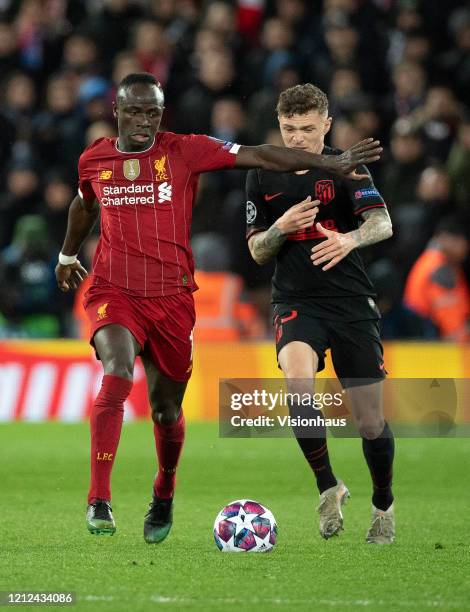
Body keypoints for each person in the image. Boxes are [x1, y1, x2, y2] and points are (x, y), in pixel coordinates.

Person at [55, 73, 381, 543]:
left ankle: (163, 491)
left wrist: (331, 164)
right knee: (118, 371)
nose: (145, 121)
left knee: (167, 411)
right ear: (118, 111)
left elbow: (259, 154)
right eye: (136, 111)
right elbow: (84, 205)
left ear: (161, 114)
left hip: (171, 300)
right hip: (114, 290)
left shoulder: (185, 149)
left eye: (154, 112)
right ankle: (99, 499)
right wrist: (68, 254)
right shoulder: (94, 158)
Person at [246, 83, 395, 544]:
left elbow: (382, 222)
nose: (297, 139)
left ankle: (383, 506)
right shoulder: (262, 173)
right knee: (297, 382)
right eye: (289, 129)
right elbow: (256, 251)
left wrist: (348, 239)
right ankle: (328, 486)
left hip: (350, 302)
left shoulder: (348, 167)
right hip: (296, 301)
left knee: (369, 422)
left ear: (326, 125)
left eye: (308, 129)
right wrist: (279, 228)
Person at [404, 218, 470, 342]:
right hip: (435, 345)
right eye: (462, 242)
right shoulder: (441, 269)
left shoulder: (430, 260)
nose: (465, 248)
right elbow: (452, 327)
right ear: (445, 239)